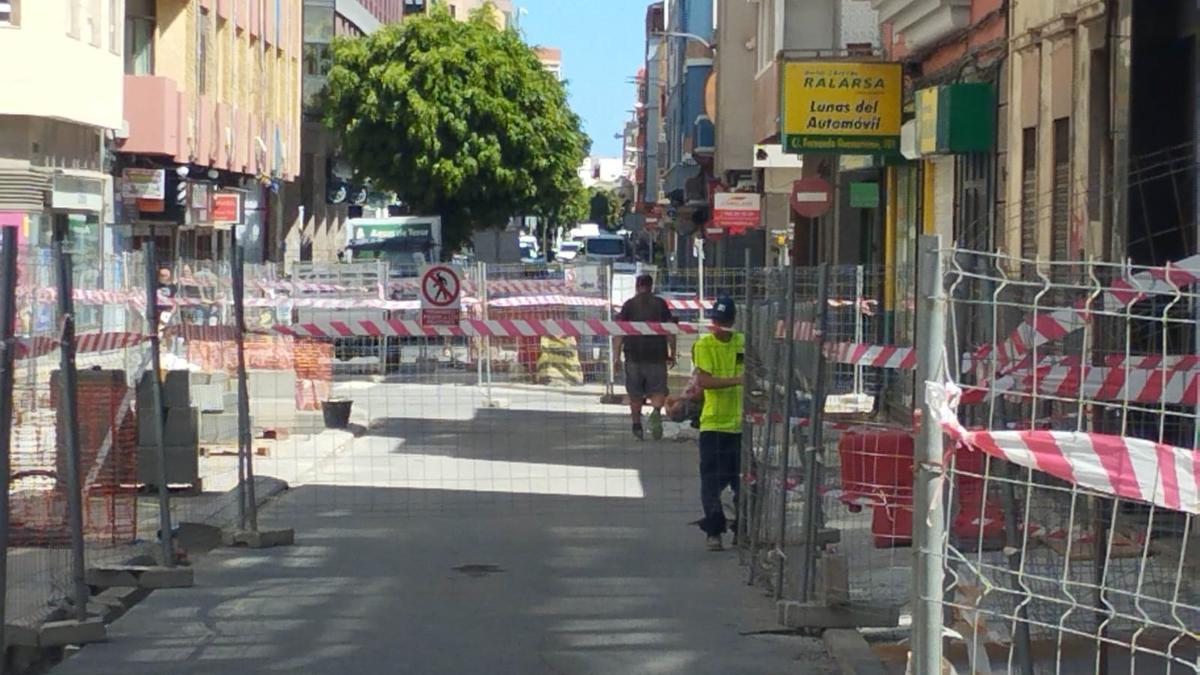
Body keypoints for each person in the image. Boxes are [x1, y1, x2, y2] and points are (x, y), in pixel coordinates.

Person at [692, 296, 744, 551]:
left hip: (740, 426)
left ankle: (742, 529)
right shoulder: (704, 344)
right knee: (711, 483)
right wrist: (739, 380)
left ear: (732, 321)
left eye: (723, 322)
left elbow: (754, 370)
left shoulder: (742, 343)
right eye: (715, 321)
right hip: (713, 425)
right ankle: (714, 530)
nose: (718, 326)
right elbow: (705, 381)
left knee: (745, 482)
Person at [613, 273, 675, 440]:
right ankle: (656, 412)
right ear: (651, 286)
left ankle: (637, 426)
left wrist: (616, 357)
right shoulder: (660, 304)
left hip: (633, 356)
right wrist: (673, 352)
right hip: (657, 355)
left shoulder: (628, 305)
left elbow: (619, 332)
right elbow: (670, 330)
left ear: (637, 286)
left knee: (635, 393)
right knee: (658, 390)